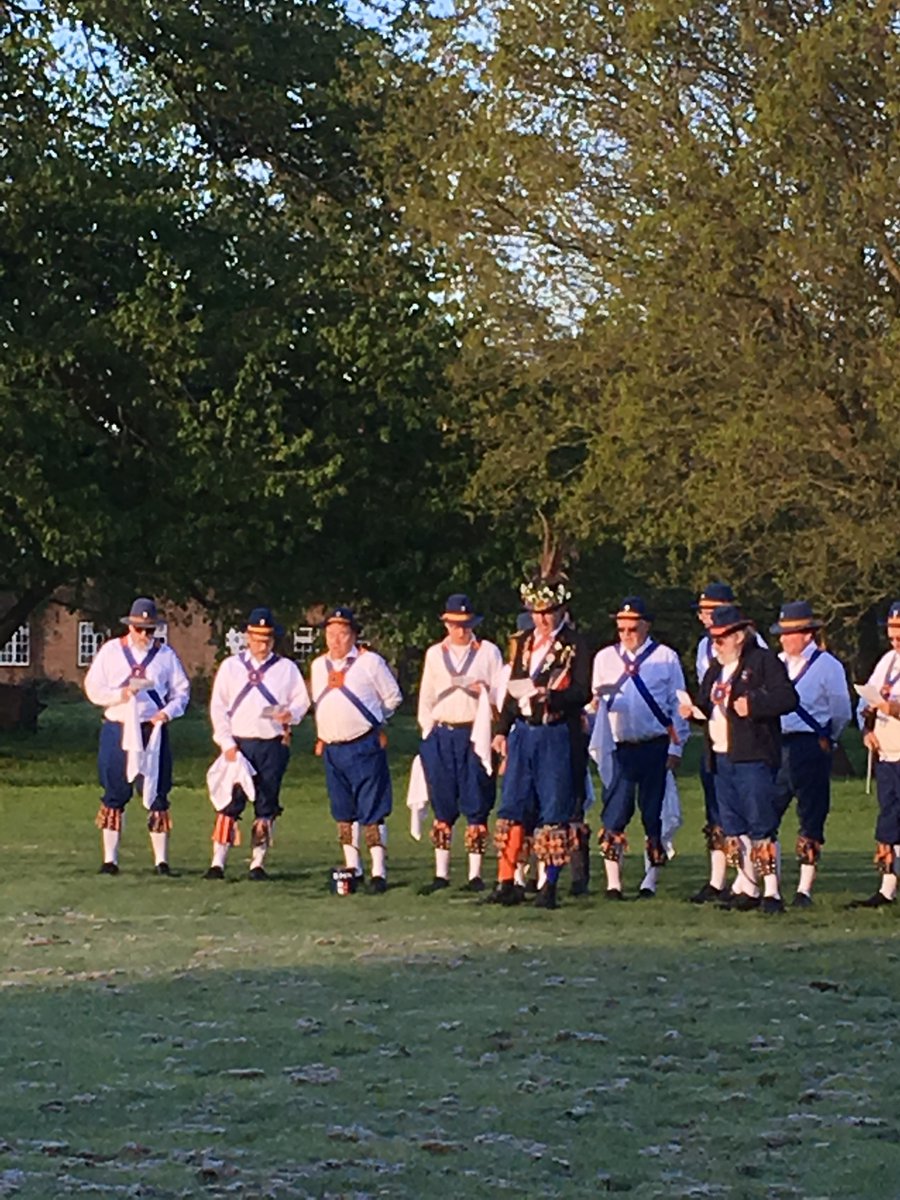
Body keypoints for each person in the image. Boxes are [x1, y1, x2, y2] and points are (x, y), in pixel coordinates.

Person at [489, 571, 591, 910]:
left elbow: (582, 692)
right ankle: (507, 880)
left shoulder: (576, 644)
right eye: (536, 612)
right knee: (513, 806)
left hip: (555, 733)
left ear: (561, 610)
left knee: (553, 809)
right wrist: (501, 730)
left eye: (547, 612)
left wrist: (552, 696)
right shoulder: (523, 642)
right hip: (524, 733)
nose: (542, 619)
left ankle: (549, 884)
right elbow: (511, 689)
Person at [688, 604, 797, 915]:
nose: (716, 645)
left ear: (738, 635)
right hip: (720, 756)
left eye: (721, 638)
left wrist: (754, 703)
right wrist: (694, 713)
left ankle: (772, 891)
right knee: (733, 825)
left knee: (761, 822)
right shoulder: (715, 670)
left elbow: (788, 698)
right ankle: (747, 885)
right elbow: (707, 705)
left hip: (753, 755)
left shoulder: (763, 662)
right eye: (712, 639)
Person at [84, 597, 191, 875]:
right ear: (130, 626)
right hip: (118, 728)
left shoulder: (166, 656)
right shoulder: (111, 652)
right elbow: (93, 689)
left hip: (151, 729)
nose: (144, 635)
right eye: (140, 629)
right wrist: (119, 695)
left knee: (157, 792)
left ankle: (161, 861)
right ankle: (110, 860)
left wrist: (167, 713)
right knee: (114, 792)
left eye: (150, 630)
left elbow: (181, 692)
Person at [592, 597, 689, 899]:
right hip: (619, 746)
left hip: (655, 744)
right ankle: (613, 884)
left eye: (632, 627)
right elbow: (595, 705)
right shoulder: (605, 658)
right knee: (615, 812)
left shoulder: (666, 657)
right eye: (621, 628)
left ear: (646, 625)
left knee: (653, 813)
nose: (626, 634)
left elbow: (678, 704)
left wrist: (677, 748)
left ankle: (650, 880)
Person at [207, 607, 310, 880]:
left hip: (272, 744)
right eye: (256, 638)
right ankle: (218, 862)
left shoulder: (286, 669)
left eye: (267, 639)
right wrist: (226, 743)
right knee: (229, 803)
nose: (261, 645)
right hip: (239, 745)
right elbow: (218, 707)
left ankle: (257, 863)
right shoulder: (231, 667)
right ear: (247, 637)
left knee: (266, 804)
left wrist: (292, 714)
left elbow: (302, 700)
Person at [310, 607, 402, 893]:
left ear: (353, 636)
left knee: (372, 809)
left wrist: (373, 720)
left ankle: (378, 871)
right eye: (331, 634)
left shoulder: (370, 662)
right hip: (332, 749)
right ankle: (353, 868)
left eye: (342, 634)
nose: (336, 641)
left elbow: (393, 697)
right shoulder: (317, 666)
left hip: (363, 744)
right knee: (343, 811)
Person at [416, 594, 503, 893]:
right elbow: (426, 695)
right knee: (442, 800)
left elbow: (500, 695)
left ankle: (475, 875)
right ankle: (441, 873)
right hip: (443, 733)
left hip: (475, 733)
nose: (460, 631)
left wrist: (485, 694)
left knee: (476, 799)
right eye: (455, 625)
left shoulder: (488, 652)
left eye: (465, 625)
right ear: (446, 624)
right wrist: (427, 731)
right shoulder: (434, 654)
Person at [771, 601, 851, 907]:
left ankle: (804, 889)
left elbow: (840, 711)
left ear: (806, 634)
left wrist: (828, 738)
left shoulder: (828, 665)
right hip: (778, 743)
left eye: (788, 633)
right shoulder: (776, 663)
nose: (783, 639)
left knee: (811, 814)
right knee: (767, 812)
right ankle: (770, 885)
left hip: (809, 743)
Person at [851, 600, 900, 908]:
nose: (895, 640)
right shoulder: (887, 662)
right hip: (887, 755)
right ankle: (887, 888)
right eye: (893, 634)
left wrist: (891, 708)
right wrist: (866, 728)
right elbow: (865, 699)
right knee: (890, 820)